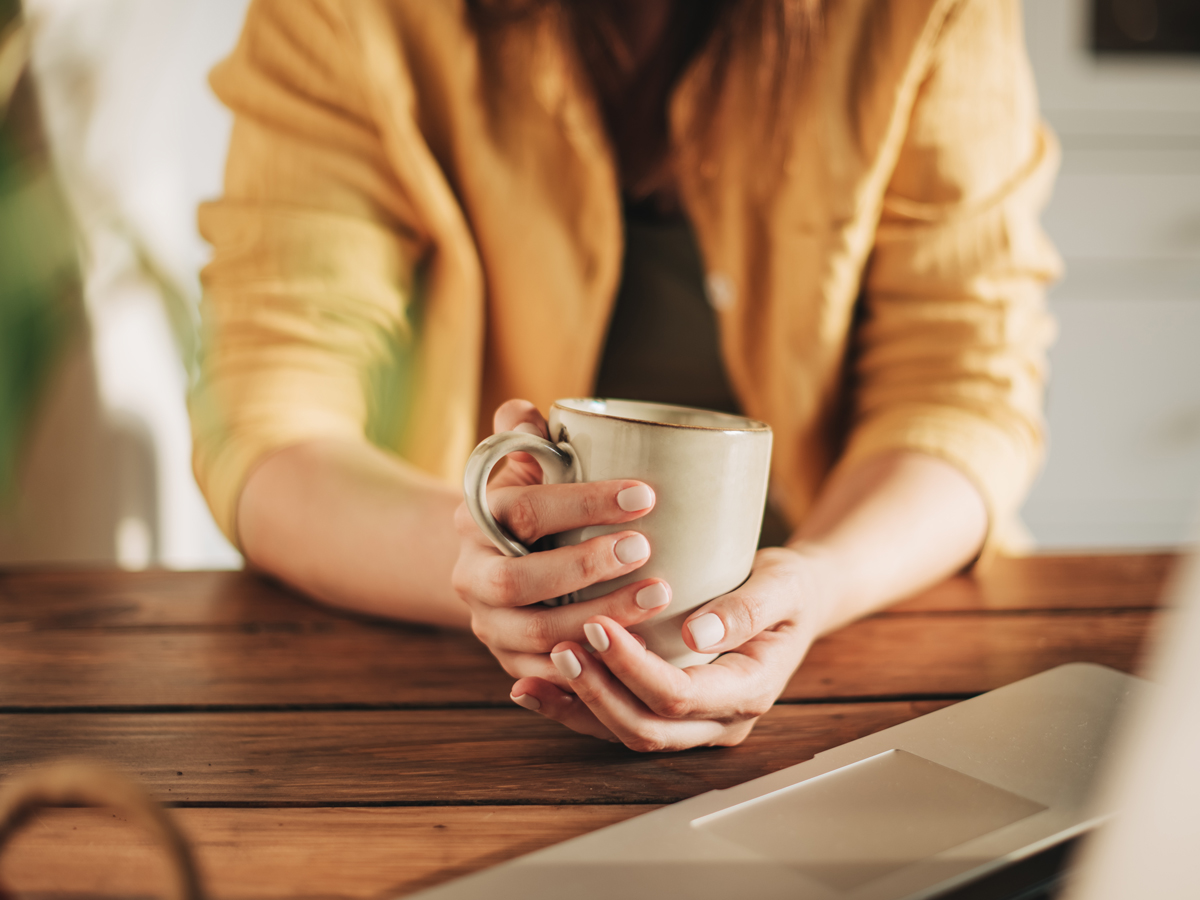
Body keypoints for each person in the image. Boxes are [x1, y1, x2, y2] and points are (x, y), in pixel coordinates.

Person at [191, 0, 1061, 751]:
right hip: (446, 667)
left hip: (866, 624)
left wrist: (820, 584)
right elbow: (268, 417)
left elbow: (959, 392)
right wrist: (493, 569)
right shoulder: (352, 18)